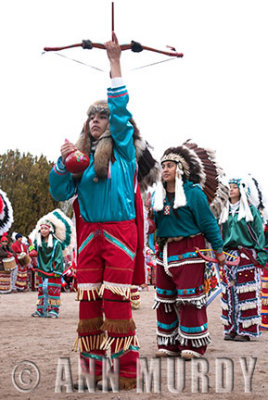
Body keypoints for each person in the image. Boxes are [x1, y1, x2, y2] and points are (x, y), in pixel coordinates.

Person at [49, 33, 158, 390]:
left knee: (115, 304)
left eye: (101, 116)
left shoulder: (124, 153)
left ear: (111, 124)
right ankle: (91, 371)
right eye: (91, 117)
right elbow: (59, 191)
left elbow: (122, 112)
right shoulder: (78, 159)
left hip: (120, 234)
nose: (95, 120)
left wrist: (115, 64)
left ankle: (126, 372)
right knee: (87, 306)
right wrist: (65, 164)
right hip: (89, 238)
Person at [148, 143, 226, 360]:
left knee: (189, 299)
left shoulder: (194, 194)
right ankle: (169, 343)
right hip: (164, 251)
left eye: (170, 165)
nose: (165, 169)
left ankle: (193, 344)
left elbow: (208, 223)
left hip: (190, 250)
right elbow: (152, 224)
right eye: (163, 166)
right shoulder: (157, 195)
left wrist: (218, 250)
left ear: (180, 169)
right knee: (164, 299)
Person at [219, 178, 268, 341]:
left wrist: (260, 253)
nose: (231, 190)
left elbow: (259, 233)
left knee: (245, 292)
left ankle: (246, 330)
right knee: (229, 292)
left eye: (234, 187)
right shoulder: (225, 210)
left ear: (241, 190)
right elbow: (220, 232)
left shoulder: (250, 210)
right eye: (230, 187)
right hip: (229, 255)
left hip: (246, 254)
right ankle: (232, 328)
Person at [31, 209, 74, 318]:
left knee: (52, 289)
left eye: (46, 228)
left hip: (53, 270)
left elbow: (59, 258)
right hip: (42, 269)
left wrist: (57, 270)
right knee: (42, 289)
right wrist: (31, 250)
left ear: (51, 230)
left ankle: (53, 310)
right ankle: (41, 310)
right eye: (42, 229)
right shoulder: (38, 243)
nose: (44, 230)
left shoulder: (56, 244)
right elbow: (32, 249)